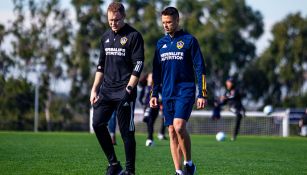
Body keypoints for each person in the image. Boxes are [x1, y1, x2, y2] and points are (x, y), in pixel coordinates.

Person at [150, 7, 207, 175]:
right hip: (167, 92)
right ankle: (179, 171)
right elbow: (157, 71)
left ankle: (189, 163)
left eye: (169, 22)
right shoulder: (161, 43)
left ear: (177, 20)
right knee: (171, 131)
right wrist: (154, 93)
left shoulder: (190, 41)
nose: (166, 26)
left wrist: (202, 93)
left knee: (179, 126)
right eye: (163, 23)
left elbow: (200, 68)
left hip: (186, 90)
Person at [90, 2, 144, 175]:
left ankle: (130, 171)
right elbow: (100, 66)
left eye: (116, 20)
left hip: (125, 91)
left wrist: (129, 89)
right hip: (106, 90)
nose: (113, 23)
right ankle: (114, 164)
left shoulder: (134, 36)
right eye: (110, 20)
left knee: (126, 133)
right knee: (98, 124)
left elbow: (138, 65)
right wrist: (94, 89)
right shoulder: (105, 37)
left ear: (124, 17)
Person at [139, 73, 167, 147]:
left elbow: (163, 96)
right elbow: (140, 98)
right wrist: (144, 105)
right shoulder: (144, 88)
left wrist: (161, 104)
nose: (153, 78)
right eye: (151, 76)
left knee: (151, 123)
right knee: (150, 122)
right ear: (147, 78)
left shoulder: (157, 87)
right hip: (147, 108)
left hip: (155, 108)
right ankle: (149, 139)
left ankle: (150, 138)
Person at [219, 77, 245, 141]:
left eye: (230, 82)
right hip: (230, 108)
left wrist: (225, 97)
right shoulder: (226, 92)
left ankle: (234, 135)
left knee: (239, 115)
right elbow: (224, 102)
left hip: (236, 108)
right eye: (228, 82)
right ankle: (233, 135)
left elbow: (233, 96)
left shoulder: (235, 90)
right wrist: (219, 102)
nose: (228, 84)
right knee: (238, 115)